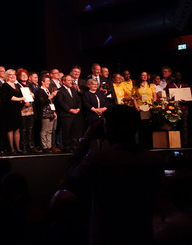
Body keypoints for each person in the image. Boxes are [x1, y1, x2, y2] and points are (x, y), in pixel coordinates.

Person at [64, 105, 164, 245]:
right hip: (141, 234)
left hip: (105, 235)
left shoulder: (98, 160)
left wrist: (85, 139)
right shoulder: (154, 161)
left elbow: (71, 178)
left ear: (107, 128)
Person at [0, 69, 25, 154]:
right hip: (8, 111)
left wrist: (28, 96)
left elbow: (22, 96)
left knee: (17, 129)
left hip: (17, 110)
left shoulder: (17, 86)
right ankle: (11, 148)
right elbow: (9, 97)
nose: (13, 76)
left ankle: (18, 148)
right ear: (7, 76)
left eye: (14, 74)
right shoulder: (5, 86)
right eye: (10, 75)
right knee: (10, 129)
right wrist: (20, 99)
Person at [55, 75, 83, 153]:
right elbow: (60, 102)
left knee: (74, 131)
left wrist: (78, 108)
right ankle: (66, 147)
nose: (71, 82)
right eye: (69, 80)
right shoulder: (60, 90)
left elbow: (78, 100)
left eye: (71, 80)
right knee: (66, 131)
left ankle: (73, 146)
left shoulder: (73, 90)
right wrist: (69, 110)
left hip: (75, 114)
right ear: (64, 82)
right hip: (66, 115)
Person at [82, 79, 110, 149]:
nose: (95, 86)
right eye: (93, 84)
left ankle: (101, 148)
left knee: (102, 133)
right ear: (89, 85)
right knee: (93, 133)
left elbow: (107, 103)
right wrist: (95, 110)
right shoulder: (86, 94)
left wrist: (104, 109)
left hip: (102, 115)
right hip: (92, 115)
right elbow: (86, 104)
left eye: (96, 84)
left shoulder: (100, 93)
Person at [16, 69, 38, 153]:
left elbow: (34, 95)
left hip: (31, 109)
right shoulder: (17, 85)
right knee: (23, 129)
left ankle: (31, 146)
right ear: (19, 76)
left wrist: (33, 95)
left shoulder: (30, 85)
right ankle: (24, 146)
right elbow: (17, 97)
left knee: (30, 128)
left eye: (26, 75)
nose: (24, 76)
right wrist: (23, 101)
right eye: (22, 75)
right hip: (22, 109)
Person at [34, 75, 58, 153]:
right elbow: (42, 102)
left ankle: (49, 146)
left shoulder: (47, 90)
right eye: (47, 81)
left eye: (49, 81)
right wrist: (51, 96)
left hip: (50, 113)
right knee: (44, 130)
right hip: (44, 113)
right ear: (42, 82)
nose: (49, 82)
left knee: (50, 130)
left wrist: (54, 112)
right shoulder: (40, 91)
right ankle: (44, 146)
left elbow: (51, 103)